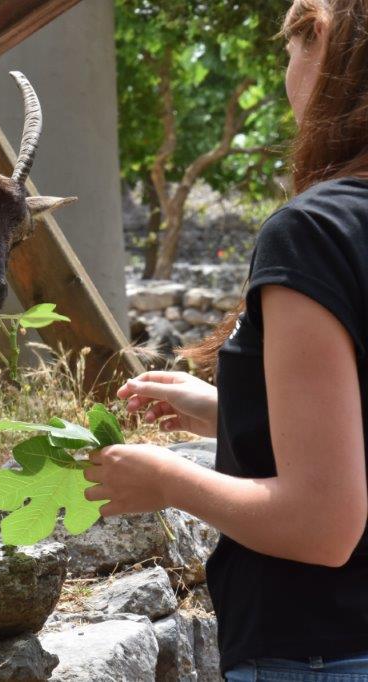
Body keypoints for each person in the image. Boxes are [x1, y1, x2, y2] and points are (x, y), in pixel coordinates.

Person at [86, 1, 368, 679]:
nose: (286, 75)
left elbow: (324, 525)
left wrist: (165, 478)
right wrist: (224, 409)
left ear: (320, 37)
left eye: (288, 50)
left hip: (317, 655)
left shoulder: (314, 233)